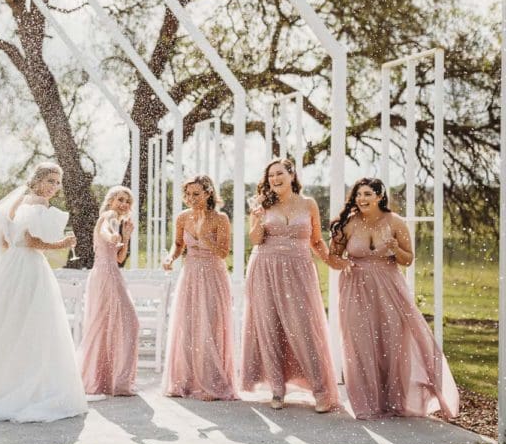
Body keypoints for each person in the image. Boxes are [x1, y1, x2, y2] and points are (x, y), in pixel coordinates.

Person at [0, 162, 88, 421]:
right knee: (36, 322)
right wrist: (63, 243)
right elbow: (31, 241)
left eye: (58, 183)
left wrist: (20, 250)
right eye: (51, 181)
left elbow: (4, 240)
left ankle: (1, 383)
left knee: (9, 321)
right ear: (38, 180)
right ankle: (29, 387)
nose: (54, 187)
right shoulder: (37, 203)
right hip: (30, 267)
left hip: (11, 267)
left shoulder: (16, 202)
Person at [328, 177, 459, 419]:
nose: (361, 199)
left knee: (392, 342)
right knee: (359, 342)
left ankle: (395, 400)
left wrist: (394, 247)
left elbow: (408, 259)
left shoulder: (395, 222)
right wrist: (344, 261)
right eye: (358, 195)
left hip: (389, 287)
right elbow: (332, 258)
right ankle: (366, 403)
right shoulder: (347, 223)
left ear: (379, 196)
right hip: (355, 287)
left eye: (367, 194)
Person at [242, 158, 339, 412]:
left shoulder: (308, 204)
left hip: (299, 269)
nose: (274, 179)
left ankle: (320, 390)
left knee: (304, 326)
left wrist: (332, 261)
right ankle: (277, 389)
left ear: (291, 175)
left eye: (279, 174)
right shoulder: (262, 204)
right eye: (270, 175)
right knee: (268, 325)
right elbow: (255, 239)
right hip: (265, 267)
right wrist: (257, 219)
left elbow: (316, 240)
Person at [161, 175, 237, 401]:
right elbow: (177, 244)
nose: (191, 198)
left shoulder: (220, 218)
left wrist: (206, 238)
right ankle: (184, 381)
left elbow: (224, 252)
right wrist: (170, 258)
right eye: (188, 194)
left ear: (208, 193)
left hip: (213, 274)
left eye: (196, 194)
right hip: (190, 274)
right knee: (188, 324)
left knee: (211, 325)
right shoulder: (182, 217)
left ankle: (212, 383)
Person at [78, 185, 140, 396]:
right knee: (130, 321)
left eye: (127, 202)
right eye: (120, 199)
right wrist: (112, 236)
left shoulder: (120, 222)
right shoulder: (109, 215)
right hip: (105, 274)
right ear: (112, 200)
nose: (124, 204)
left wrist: (127, 236)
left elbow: (120, 259)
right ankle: (116, 381)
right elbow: (105, 229)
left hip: (111, 272)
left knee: (108, 324)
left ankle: (109, 380)